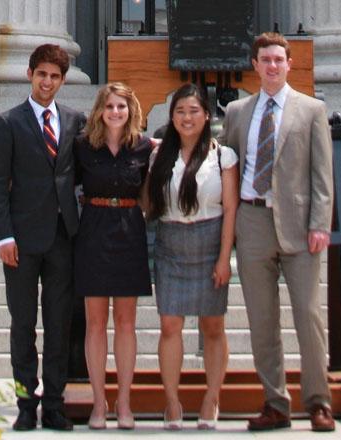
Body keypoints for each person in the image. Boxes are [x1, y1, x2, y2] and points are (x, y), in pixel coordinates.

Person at [218, 32, 335, 432]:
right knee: (262, 320)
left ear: (289, 64)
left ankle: (319, 402)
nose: (272, 66)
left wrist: (320, 223)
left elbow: (322, 176)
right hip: (252, 222)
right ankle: (276, 403)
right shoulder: (236, 112)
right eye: (265, 59)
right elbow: (227, 168)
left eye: (278, 60)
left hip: (300, 227)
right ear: (255, 65)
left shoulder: (312, 110)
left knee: (308, 316)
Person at [0, 44, 86, 431]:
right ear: (30, 74)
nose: (48, 82)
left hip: (64, 237)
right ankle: (26, 402)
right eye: (42, 74)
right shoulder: (8, 122)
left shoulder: (75, 120)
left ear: (62, 81)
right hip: (22, 241)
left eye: (55, 76)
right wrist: (3, 237)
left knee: (59, 324)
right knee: (23, 323)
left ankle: (56, 403)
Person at [147, 83, 239, 430]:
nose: (187, 118)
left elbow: (230, 209)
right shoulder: (158, 156)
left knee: (213, 324)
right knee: (170, 324)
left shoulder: (222, 156)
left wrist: (223, 258)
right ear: (171, 117)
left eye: (194, 111)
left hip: (209, 238)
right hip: (171, 240)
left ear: (207, 115)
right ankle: (172, 401)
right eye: (180, 112)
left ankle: (211, 398)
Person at [73, 82, 152, 430]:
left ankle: (123, 402)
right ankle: (98, 404)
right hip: (93, 228)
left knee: (125, 322)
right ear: (100, 112)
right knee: (94, 322)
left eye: (121, 106)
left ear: (130, 110)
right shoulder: (82, 147)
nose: (116, 112)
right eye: (110, 107)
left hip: (130, 229)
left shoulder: (144, 147)